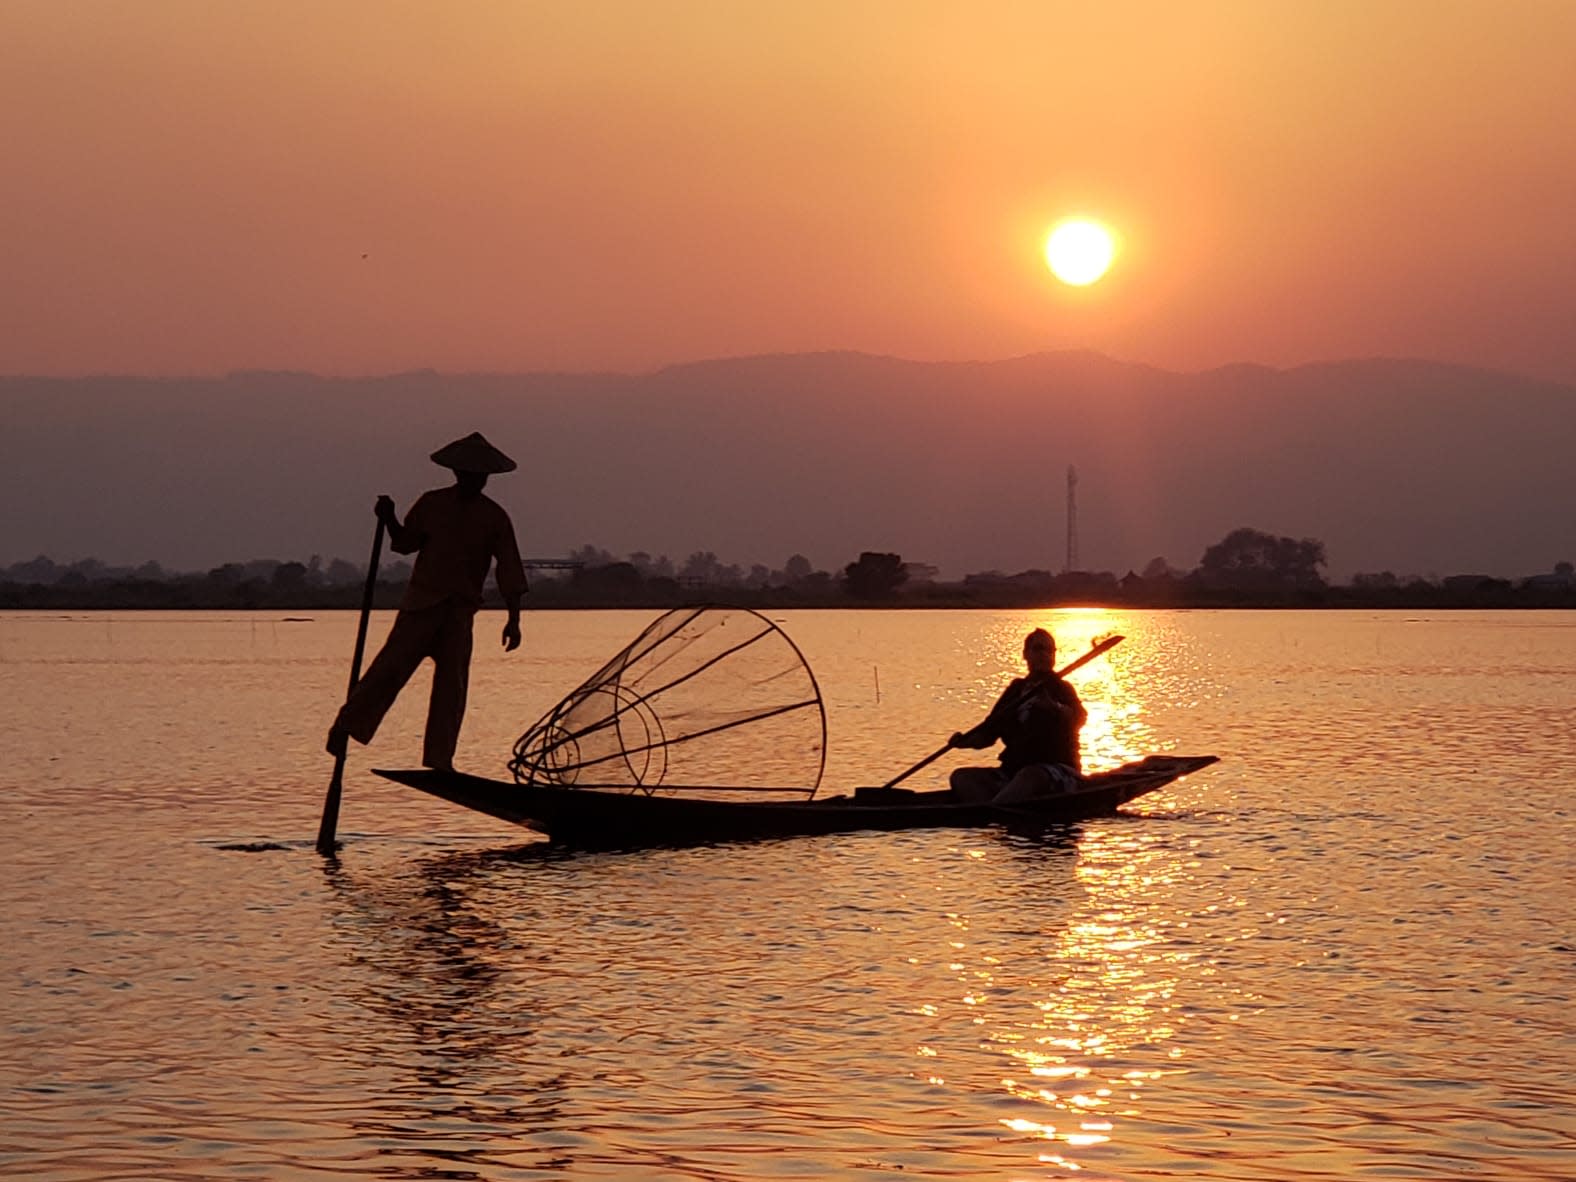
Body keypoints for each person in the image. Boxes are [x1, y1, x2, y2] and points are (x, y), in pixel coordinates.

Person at [326, 431, 528, 771]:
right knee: (388, 670)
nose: (476, 481)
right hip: (422, 605)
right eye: (470, 474)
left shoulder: (494, 517)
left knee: (452, 688)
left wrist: (514, 619)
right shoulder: (432, 504)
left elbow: (509, 569)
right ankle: (346, 727)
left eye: (481, 476)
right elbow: (406, 543)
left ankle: (440, 759)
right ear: (458, 474)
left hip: (459, 613)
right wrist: (389, 518)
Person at [948, 628, 1087, 804]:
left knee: (1030, 776)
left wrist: (1053, 707)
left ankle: (994, 811)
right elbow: (988, 734)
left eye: (1049, 650)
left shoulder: (1062, 688)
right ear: (1025, 654)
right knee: (961, 777)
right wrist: (963, 742)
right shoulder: (1016, 690)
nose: (1044, 654)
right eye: (1038, 649)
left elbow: (1079, 718)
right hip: (1012, 771)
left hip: (1055, 770)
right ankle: (994, 810)